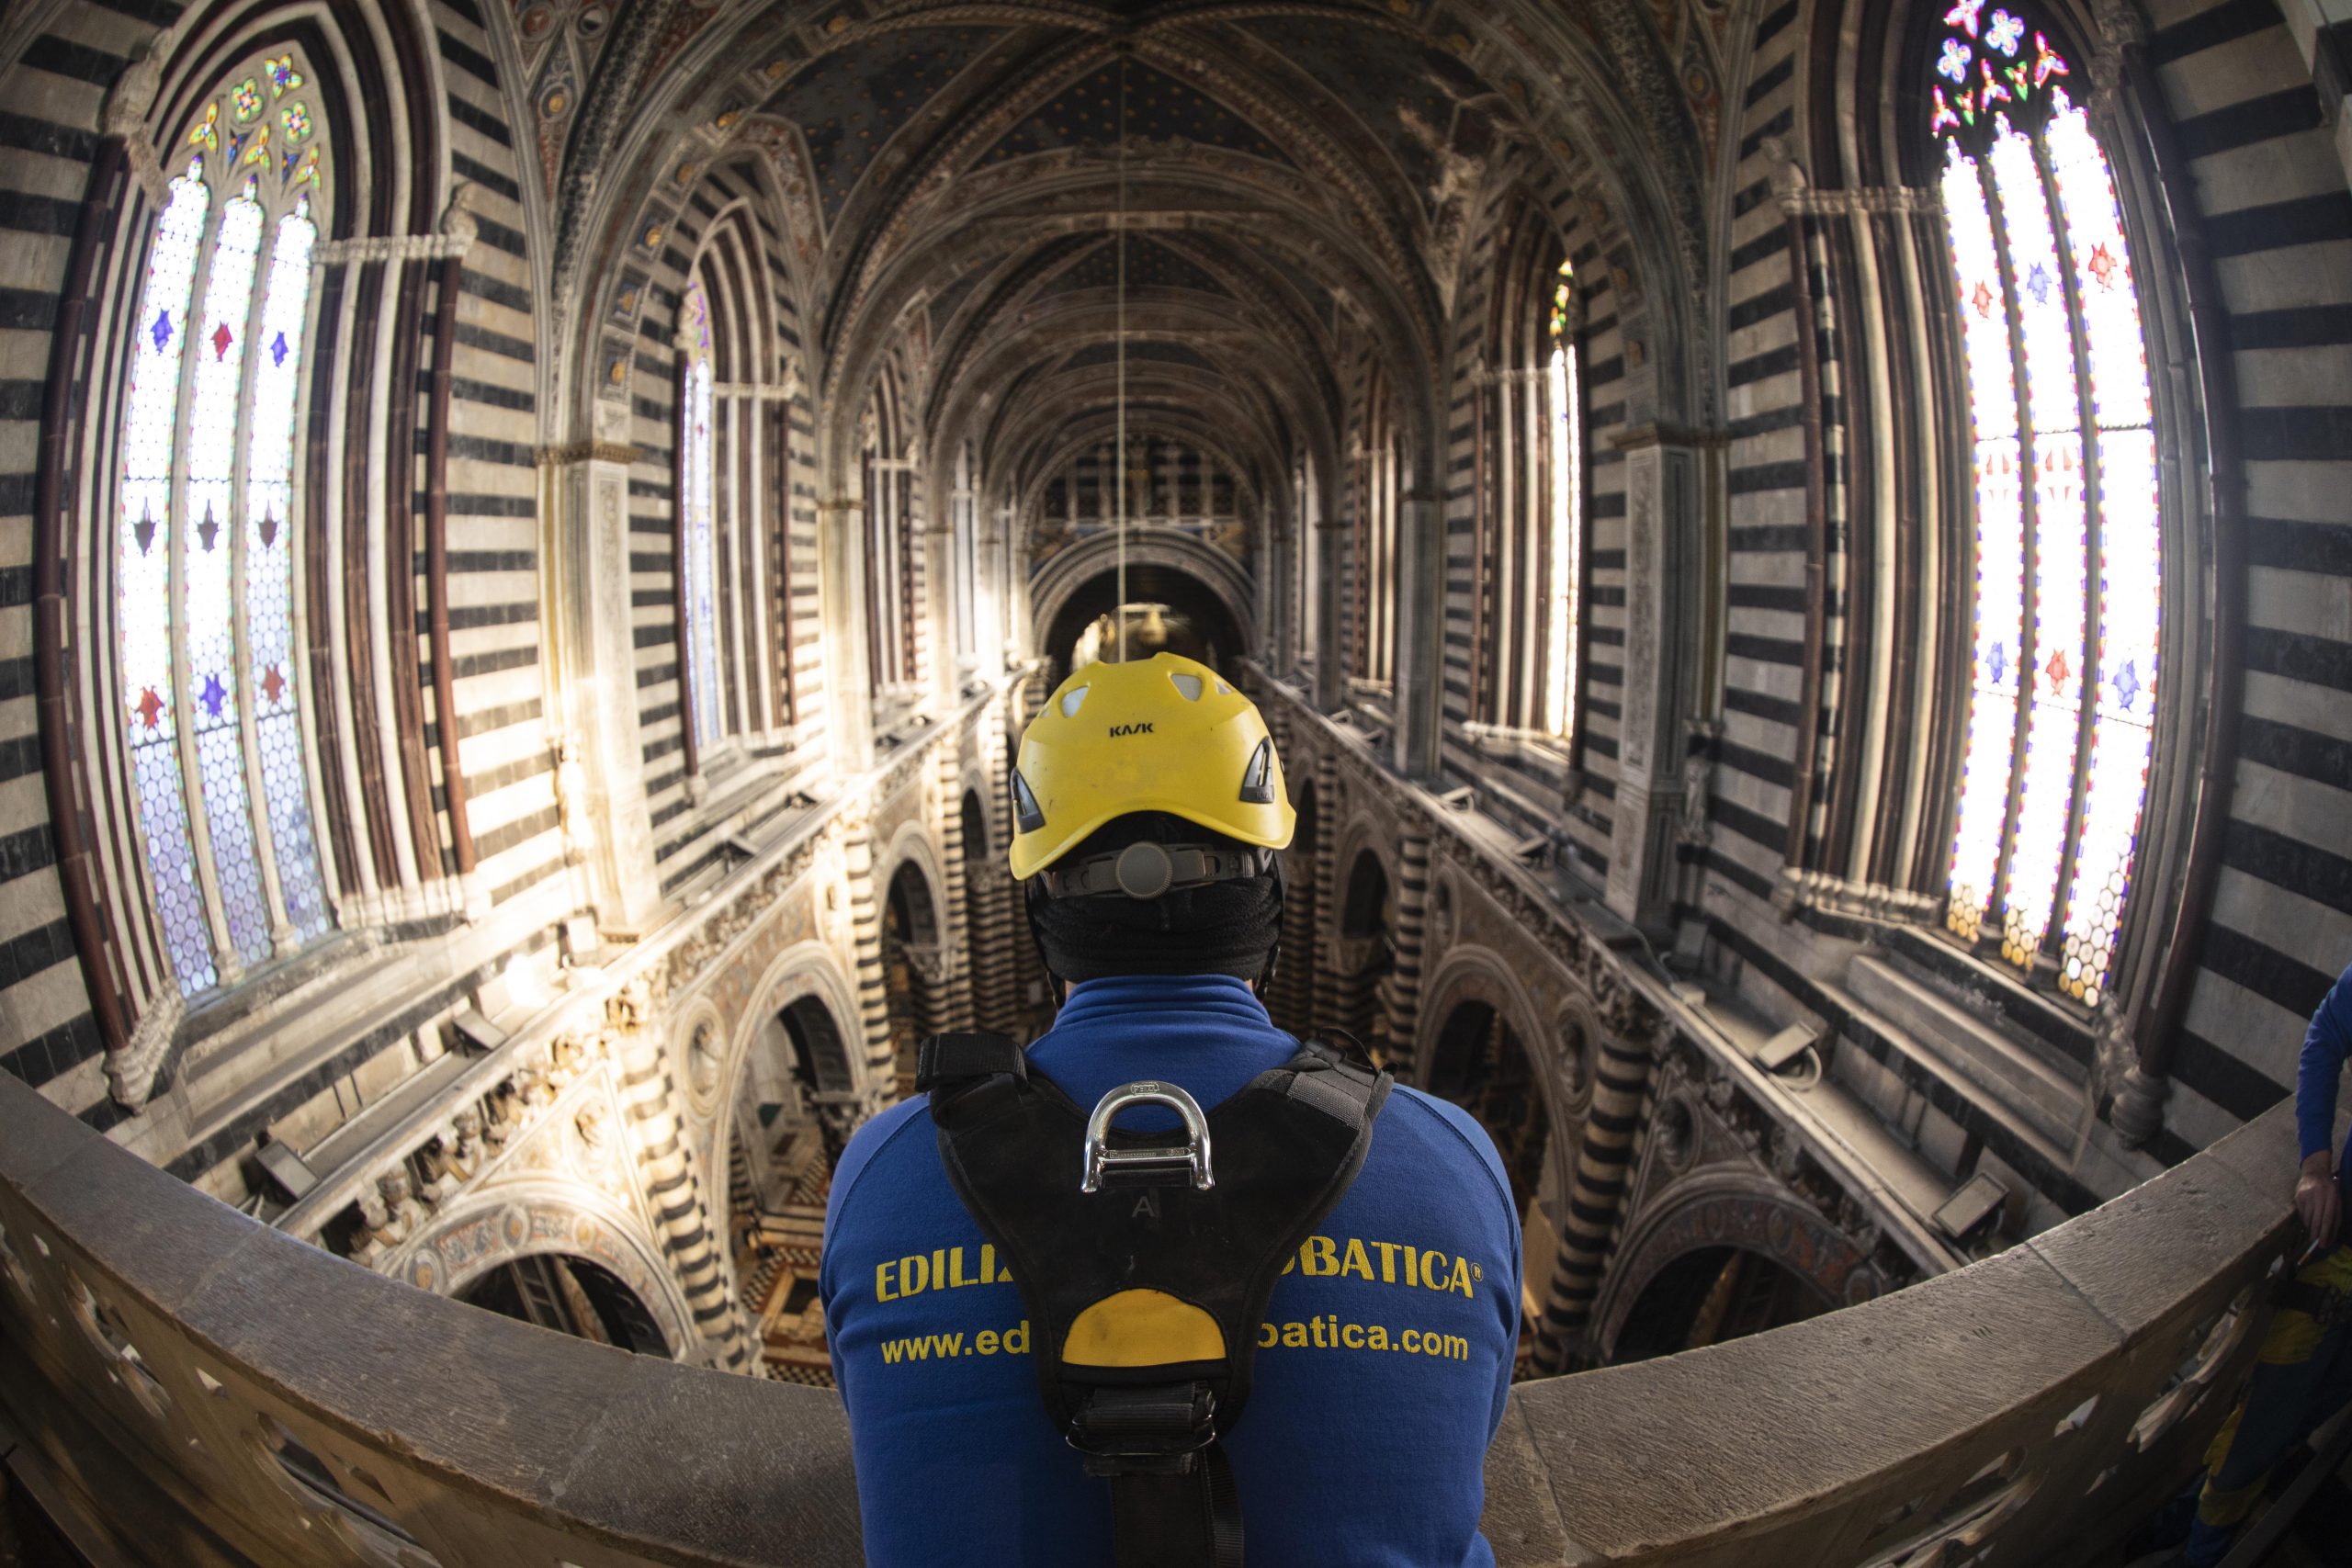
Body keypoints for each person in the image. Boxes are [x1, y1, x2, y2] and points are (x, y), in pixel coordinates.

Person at [821, 652, 1522, 1567]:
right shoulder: (1454, 1166)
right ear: (1267, 893)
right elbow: (1468, 1433)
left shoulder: (881, 1175)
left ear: (1041, 909)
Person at [2181, 960, 2352, 1566]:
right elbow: (2327, 1035)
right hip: (2340, 1267)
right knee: (2256, 1431)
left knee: (2303, 1419)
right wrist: (2315, 1164)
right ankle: (2192, 1549)